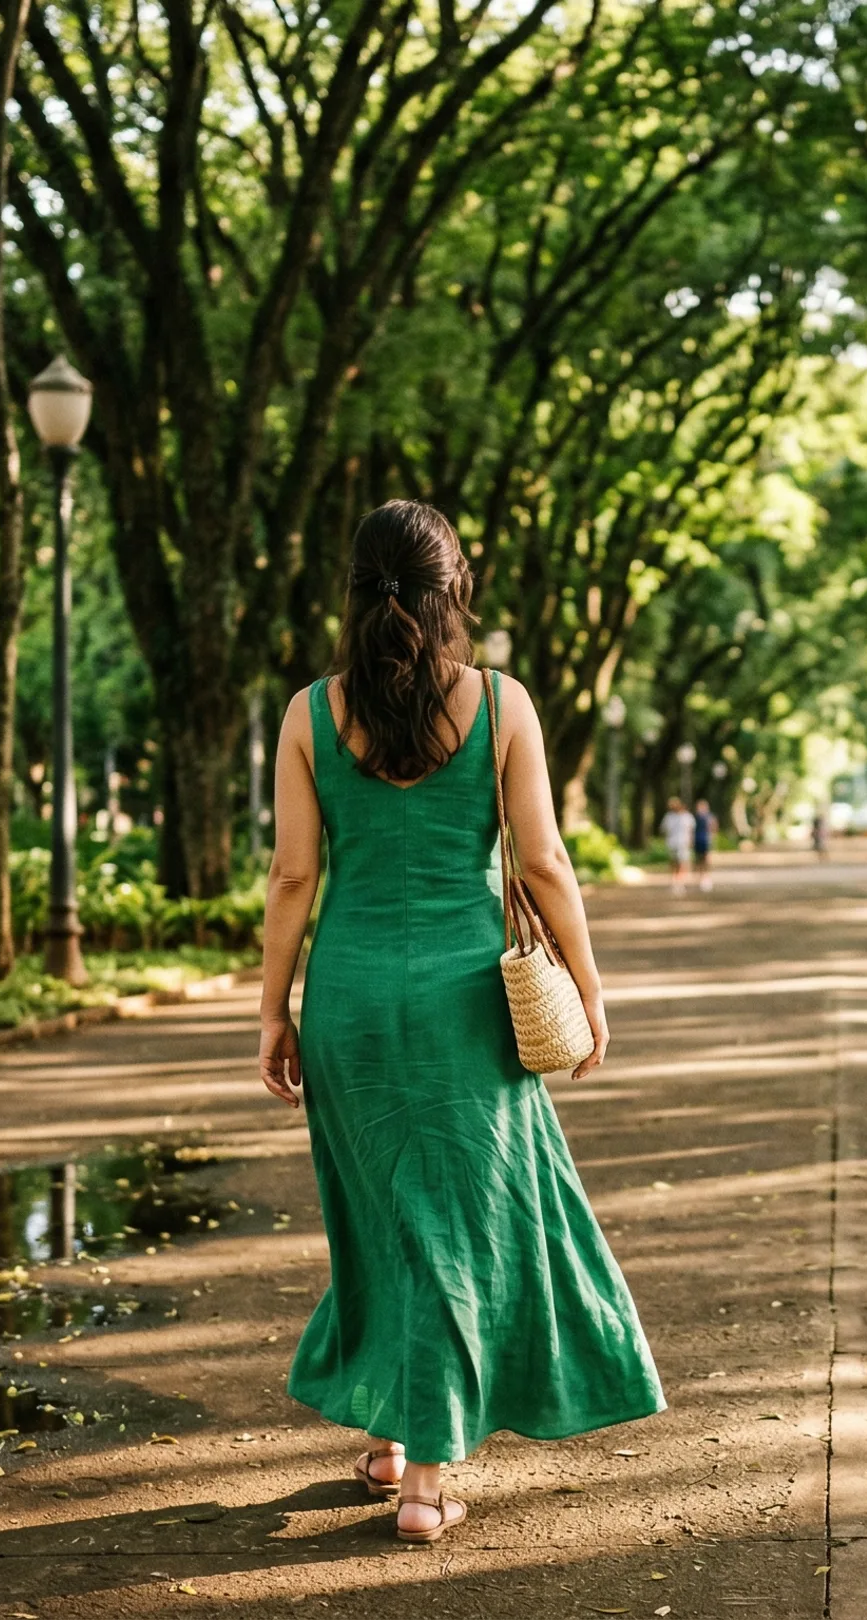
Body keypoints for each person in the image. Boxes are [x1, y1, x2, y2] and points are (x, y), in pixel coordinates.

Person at [255, 500, 663, 1546]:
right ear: (455, 593)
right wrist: (591, 984)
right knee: (452, 1226)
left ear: (356, 592)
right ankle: (426, 1481)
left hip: (346, 999)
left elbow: (294, 874)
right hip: (466, 1008)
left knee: (384, 1220)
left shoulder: (309, 714)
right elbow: (543, 864)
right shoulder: (501, 703)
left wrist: (273, 1012)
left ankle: (399, 1439)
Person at [661, 798, 695, 895]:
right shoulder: (668, 817)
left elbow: (691, 830)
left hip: (683, 843)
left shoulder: (687, 816)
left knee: (682, 863)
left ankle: (680, 881)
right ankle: (674, 879)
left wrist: (691, 841)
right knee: (673, 862)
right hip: (672, 843)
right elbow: (664, 830)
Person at [691, 798, 717, 894]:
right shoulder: (695, 818)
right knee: (698, 860)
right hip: (698, 841)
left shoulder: (709, 817)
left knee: (706, 860)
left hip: (706, 841)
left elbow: (713, 828)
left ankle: (706, 877)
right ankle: (700, 877)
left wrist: (712, 838)